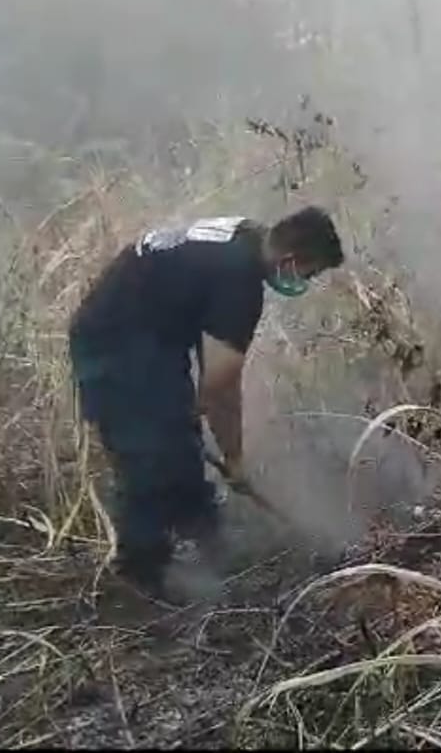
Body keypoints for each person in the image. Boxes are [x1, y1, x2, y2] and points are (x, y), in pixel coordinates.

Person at [68, 208, 344, 598]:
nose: (306, 283)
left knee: (178, 437)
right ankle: (141, 576)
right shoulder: (239, 281)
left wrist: (190, 414)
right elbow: (222, 387)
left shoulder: (247, 235)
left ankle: (209, 540)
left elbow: (210, 377)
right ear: (290, 261)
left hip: (149, 339)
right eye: (309, 274)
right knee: (147, 454)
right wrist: (234, 458)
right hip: (114, 344)